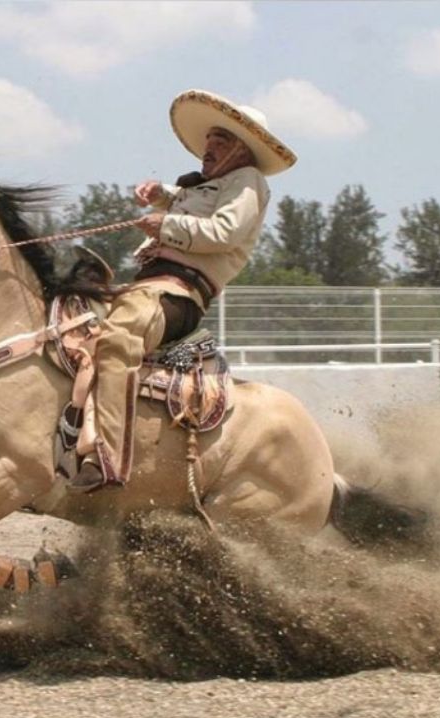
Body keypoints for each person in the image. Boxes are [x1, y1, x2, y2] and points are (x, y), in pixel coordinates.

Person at [69, 89, 298, 492]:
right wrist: (161, 194)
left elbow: (224, 232)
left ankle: (107, 456)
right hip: (149, 289)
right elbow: (188, 197)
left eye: (220, 141)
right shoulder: (212, 185)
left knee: (119, 337)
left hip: (177, 297)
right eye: (208, 140)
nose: (208, 148)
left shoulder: (248, 182)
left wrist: (166, 224)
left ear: (242, 151)